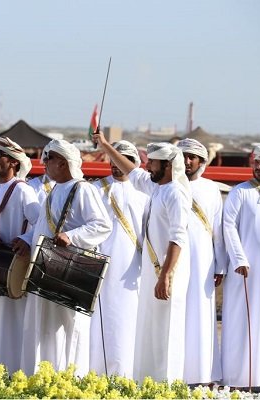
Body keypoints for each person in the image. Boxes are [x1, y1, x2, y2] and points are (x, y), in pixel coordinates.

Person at [94, 132, 191, 382]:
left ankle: (167, 387)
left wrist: (166, 275)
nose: (147, 166)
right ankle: (150, 383)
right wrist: (105, 145)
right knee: (151, 329)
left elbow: (178, 237)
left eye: (153, 163)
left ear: (167, 166)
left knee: (166, 331)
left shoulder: (175, 193)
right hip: (154, 272)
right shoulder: (157, 187)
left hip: (168, 273)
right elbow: (133, 170)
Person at [19, 139, 112, 376]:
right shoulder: (54, 190)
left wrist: (72, 236)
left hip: (66, 272)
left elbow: (102, 225)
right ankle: (42, 377)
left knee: (67, 326)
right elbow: (43, 227)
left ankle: (67, 379)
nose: (44, 164)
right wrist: (25, 240)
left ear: (62, 163)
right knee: (43, 325)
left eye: (48, 159)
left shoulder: (83, 189)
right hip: (45, 268)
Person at [0, 137, 40, 373]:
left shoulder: (23, 190)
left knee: (12, 322)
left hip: (13, 268)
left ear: (13, 162)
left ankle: (13, 373)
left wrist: (26, 240)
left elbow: (40, 224)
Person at [222, 146, 260, 388]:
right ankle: (241, 378)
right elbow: (228, 226)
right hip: (246, 271)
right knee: (245, 322)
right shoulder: (240, 192)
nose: (258, 167)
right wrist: (239, 259)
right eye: (256, 162)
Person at [89, 140, 148, 377]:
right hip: (99, 262)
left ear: (134, 163)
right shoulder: (95, 189)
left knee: (127, 318)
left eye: (122, 160)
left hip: (133, 265)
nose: (116, 165)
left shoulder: (144, 192)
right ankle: (94, 371)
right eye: (112, 160)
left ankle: (125, 372)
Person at [177, 138, 226, 385]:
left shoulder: (211, 189)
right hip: (173, 259)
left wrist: (221, 264)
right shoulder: (169, 184)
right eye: (183, 156)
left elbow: (218, 230)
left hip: (204, 259)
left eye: (191, 157)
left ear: (201, 162)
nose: (186, 161)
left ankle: (203, 373)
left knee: (200, 314)